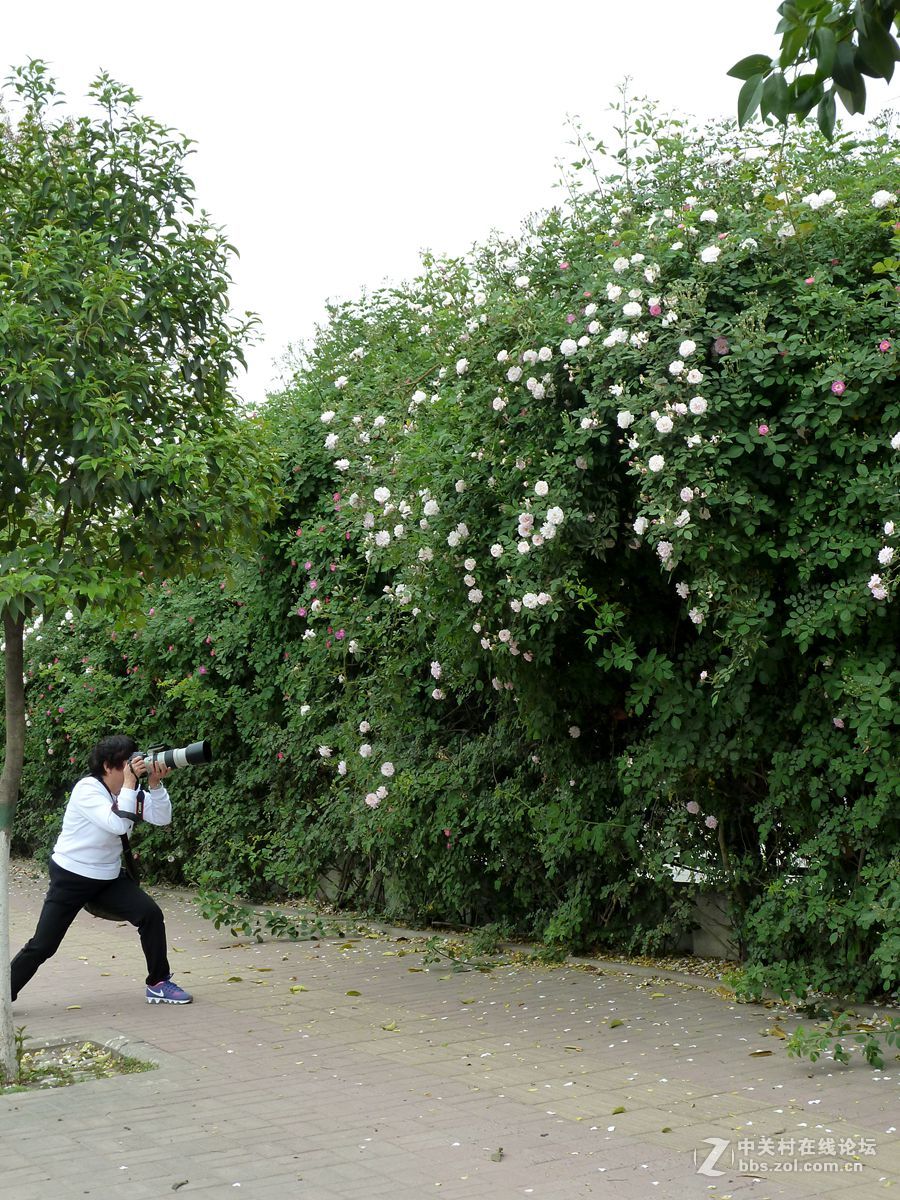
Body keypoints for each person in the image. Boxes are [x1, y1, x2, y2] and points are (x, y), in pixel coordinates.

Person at [10, 734, 193, 1005]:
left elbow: (161, 817)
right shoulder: (87, 790)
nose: (134, 769)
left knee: (150, 914)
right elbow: (118, 824)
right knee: (44, 945)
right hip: (71, 876)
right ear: (109, 766)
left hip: (107, 877)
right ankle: (4, 993)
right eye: (127, 765)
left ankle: (158, 982)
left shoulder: (127, 790)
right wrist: (131, 784)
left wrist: (154, 785)